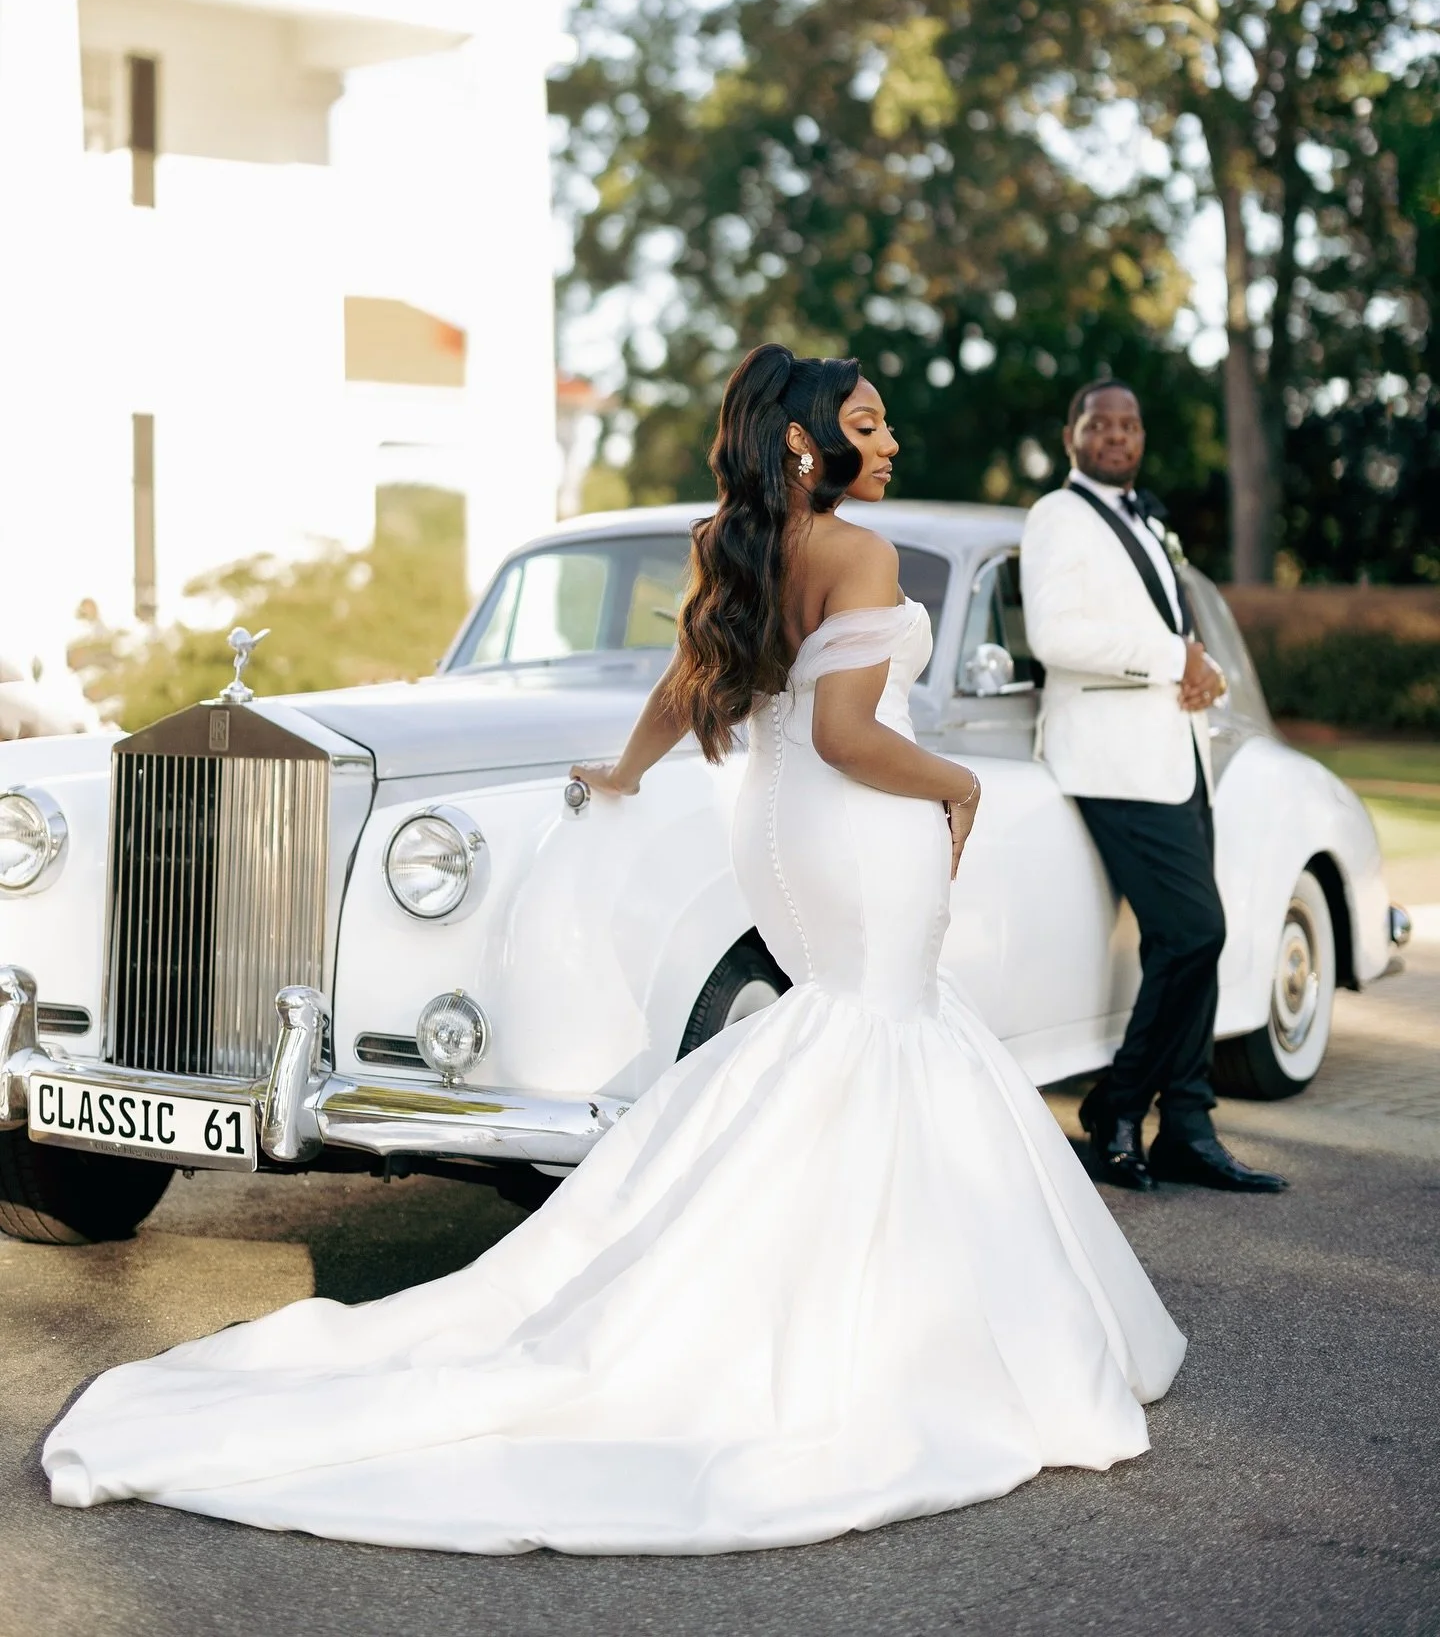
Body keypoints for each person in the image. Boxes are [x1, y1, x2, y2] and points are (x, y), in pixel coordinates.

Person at [43, 347, 1185, 1555]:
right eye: (868, 419)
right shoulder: (862, 554)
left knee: (842, 1029)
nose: (890, 438)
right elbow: (852, 731)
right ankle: (882, 1328)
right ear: (808, 442)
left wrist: (630, 769)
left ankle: (811, 1284)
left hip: (781, 825)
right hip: (860, 824)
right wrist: (957, 785)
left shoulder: (735, 544)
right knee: (882, 1024)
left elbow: (693, 679)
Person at [1020, 378, 1287, 1196]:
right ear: (1072, 434)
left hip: (1177, 755)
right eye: (1099, 421)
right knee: (1193, 932)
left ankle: (1190, 1126)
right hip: (1109, 759)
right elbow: (1055, 634)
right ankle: (1116, 1105)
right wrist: (1179, 659)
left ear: (1142, 436)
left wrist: (1197, 666)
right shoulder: (1055, 517)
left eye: (1130, 422)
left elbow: (1162, 622)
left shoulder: (1149, 515)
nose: (1116, 434)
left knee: (1197, 943)